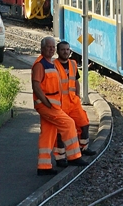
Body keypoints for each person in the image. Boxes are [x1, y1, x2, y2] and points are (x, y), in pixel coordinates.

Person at [31, 36, 88, 176]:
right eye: (48, 47)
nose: (51, 49)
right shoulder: (40, 64)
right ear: (42, 48)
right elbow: (36, 85)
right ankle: (74, 157)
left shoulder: (49, 63)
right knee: (69, 124)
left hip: (53, 105)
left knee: (48, 134)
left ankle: (43, 166)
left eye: (52, 47)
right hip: (47, 106)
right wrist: (45, 102)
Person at [53, 40, 96, 166]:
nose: (65, 52)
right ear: (58, 51)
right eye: (63, 50)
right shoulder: (53, 65)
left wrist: (78, 95)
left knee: (84, 124)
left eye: (67, 49)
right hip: (60, 104)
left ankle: (84, 148)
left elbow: (76, 81)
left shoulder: (73, 64)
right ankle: (60, 157)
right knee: (61, 132)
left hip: (73, 102)